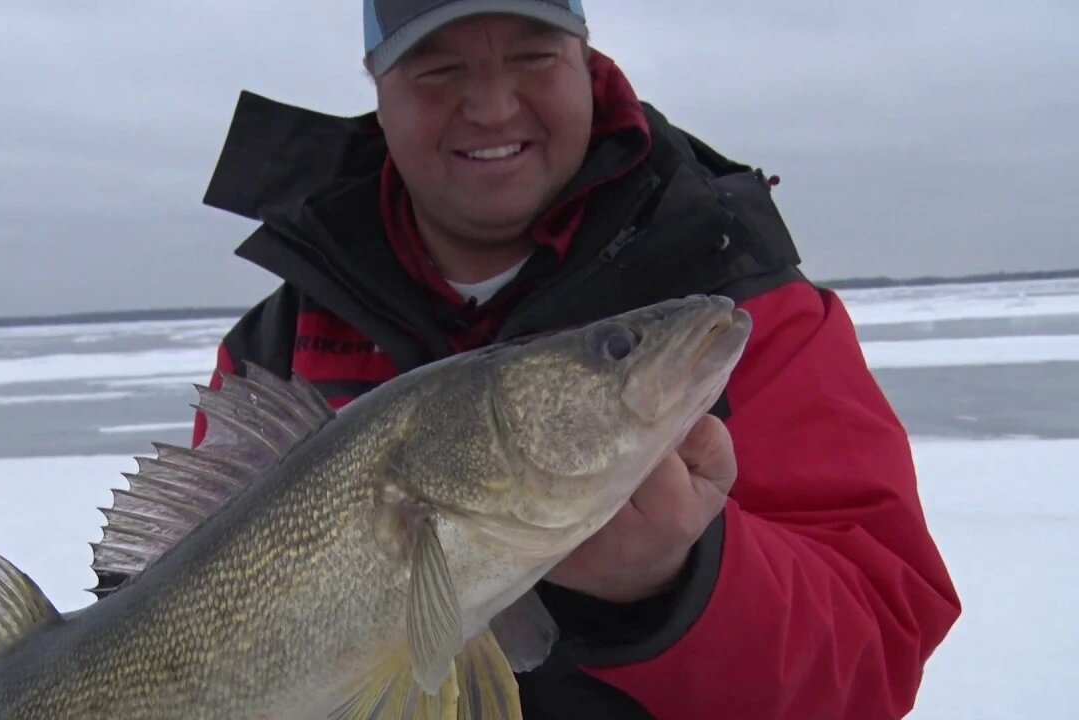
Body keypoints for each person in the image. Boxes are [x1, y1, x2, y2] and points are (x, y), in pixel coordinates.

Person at [192, 1, 961, 717]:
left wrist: (676, 587)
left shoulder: (753, 306)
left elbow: (877, 651)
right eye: (438, 70)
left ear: (585, 61)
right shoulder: (271, 357)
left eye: (533, 56)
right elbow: (161, 602)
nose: (493, 106)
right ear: (378, 89)